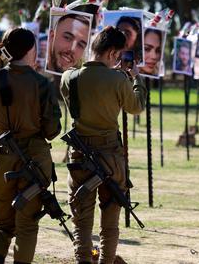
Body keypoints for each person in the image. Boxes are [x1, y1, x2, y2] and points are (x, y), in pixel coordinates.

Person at [0, 28, 61, 264]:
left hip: (1, 157)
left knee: (2, 227)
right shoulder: (41, 83)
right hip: (34, 159)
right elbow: (52, 131)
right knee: (27, 227)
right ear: (31, 50)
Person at [60, 26, 147, 264]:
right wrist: (136, 79)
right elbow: (136, 107)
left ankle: (83, 261)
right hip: (111, 157)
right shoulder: (118, 79)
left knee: (81, 220)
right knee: (110, 220)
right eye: (118, 55)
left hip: (79, 156)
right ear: (112, 54)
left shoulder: (69, 78)